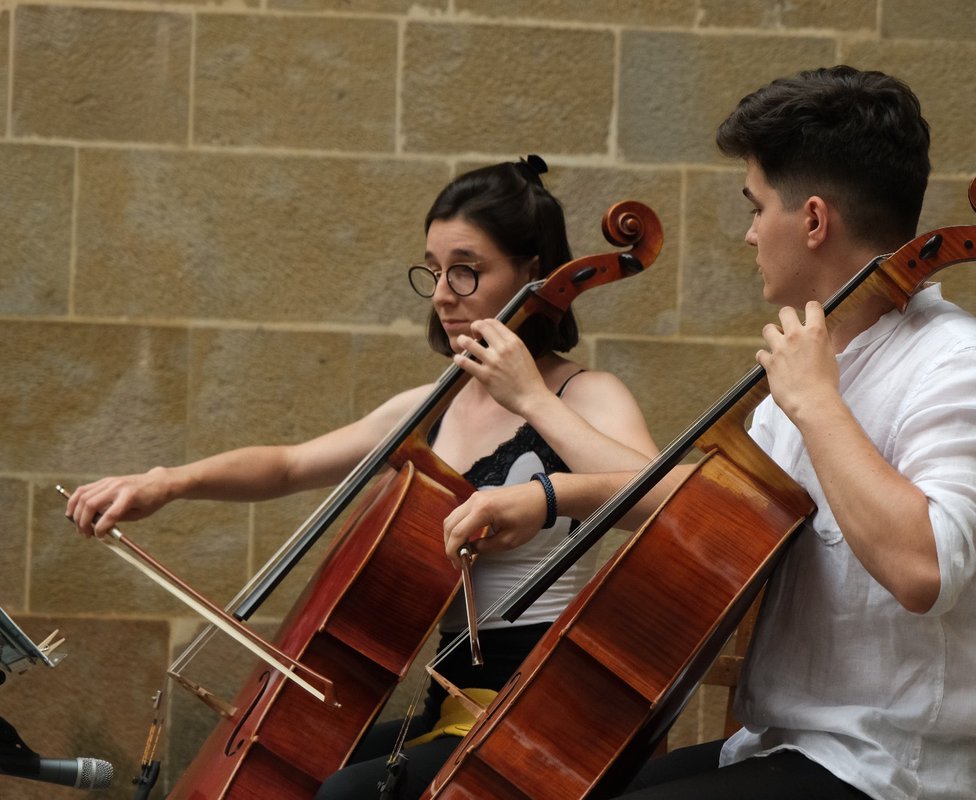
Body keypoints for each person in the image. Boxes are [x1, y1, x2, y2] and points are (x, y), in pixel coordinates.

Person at [443, 67, 976, 800]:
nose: (751, 232)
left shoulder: (956, 363)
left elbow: (927, 571)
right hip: (788, 744)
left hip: (897, 769)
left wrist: (818, 406)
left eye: (757, 207)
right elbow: (699, 511)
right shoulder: (817, 358)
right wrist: (551, 489)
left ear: (814, 220)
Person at [66, 156, 659, 799]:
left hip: (544, 703)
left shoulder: (584, 393)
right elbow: (289, 464)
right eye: (433, 270)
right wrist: (167, 481)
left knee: (346, 796)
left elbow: (663, 499)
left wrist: (532, 402)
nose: (442, 293)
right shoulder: (432, 406)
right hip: (453, 696)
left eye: (467, 269)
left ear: (534, 274)